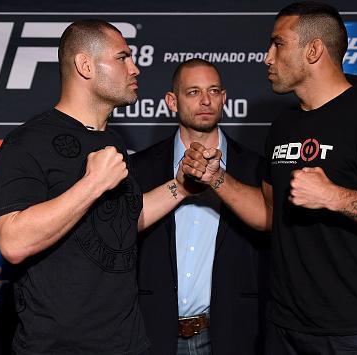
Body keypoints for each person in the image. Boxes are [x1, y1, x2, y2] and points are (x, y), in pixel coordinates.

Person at [181, 2, 357, 353]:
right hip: (285, 328)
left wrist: (335, 197)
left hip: (356, 334)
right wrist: (217, 179)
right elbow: (270, 214)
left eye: (278, 44)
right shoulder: (284, 125)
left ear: (314, 49)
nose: (267, 58)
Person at [0, 20, 192, 355]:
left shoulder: (111, 139)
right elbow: (13, 241)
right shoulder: (26, 143)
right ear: (85, 65)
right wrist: (93, 184)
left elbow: (124, 222)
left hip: (127, 343)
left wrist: (182, 188)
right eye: (122, 57)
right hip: (59, 348)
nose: (135, 67)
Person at [132, 59, 269, 355]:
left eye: (214, 91)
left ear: (224, 98)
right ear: (172, 101)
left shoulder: (256, 168)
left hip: (232, 334)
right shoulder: (139, 168)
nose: (206, 100)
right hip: (153, 333)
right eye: (193, 92)